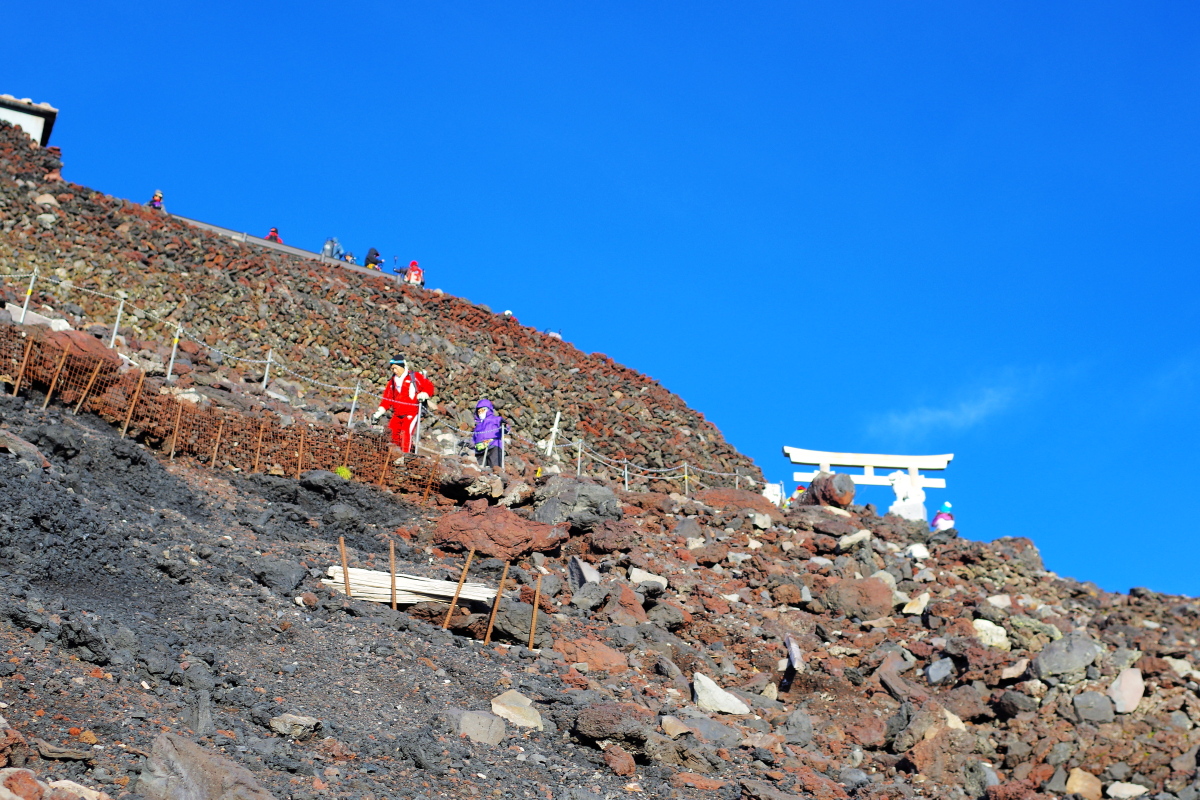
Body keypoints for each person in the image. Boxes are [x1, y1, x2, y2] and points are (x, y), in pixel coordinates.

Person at [371, 355, 435, 453]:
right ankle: (393, 454)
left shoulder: (415, 376)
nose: (394, 370)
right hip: (397, 413)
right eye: (392, 368)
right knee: (392, 433)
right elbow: (387, 398)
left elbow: (428, 386)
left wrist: (424, 394)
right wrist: (380, 412)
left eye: (395, 368)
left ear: (402, 366)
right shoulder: (392, 381)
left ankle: (405, 455)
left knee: (406, 434)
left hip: (411, 412)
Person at [471, 398, 504, 469]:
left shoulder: (496, 419)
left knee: (495, 468)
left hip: (494, 446)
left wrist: (504, 425)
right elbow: (474, 437)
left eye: (483, 410)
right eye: (479, 411)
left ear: (488, 409)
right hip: (480, 449)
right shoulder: (478, 425)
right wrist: (471, 444)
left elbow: (506, 429)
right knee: (480, 469)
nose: (480, 413)